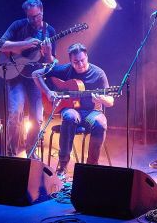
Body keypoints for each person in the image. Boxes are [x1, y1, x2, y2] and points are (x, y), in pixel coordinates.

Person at [32, 43, 114, 177]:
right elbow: (36, 74)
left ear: (87, 56)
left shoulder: (98, 73)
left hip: (92, 112)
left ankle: (91, 167)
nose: (80, 64)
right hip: (71, 109)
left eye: (82, 60)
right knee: (69, 116)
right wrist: (47, 92)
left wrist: (101, 100)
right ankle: (62, 166)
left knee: (101, 123)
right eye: (76, 62)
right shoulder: (65, 70)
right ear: (70, 61)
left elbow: (111, 101)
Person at [0, 0, 56, 158]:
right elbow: (0, 45)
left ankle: (31, 150)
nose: (34, 20)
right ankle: (11, 153)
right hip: (15, 76)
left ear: (42, 12)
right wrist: (23, 44)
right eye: (30, 17)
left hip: (34, 79)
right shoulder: (18, 25)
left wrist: (48, 53)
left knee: (37, 119)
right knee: (15, 113)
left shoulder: (49, 31)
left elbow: (50, 63)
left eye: (36, 16)